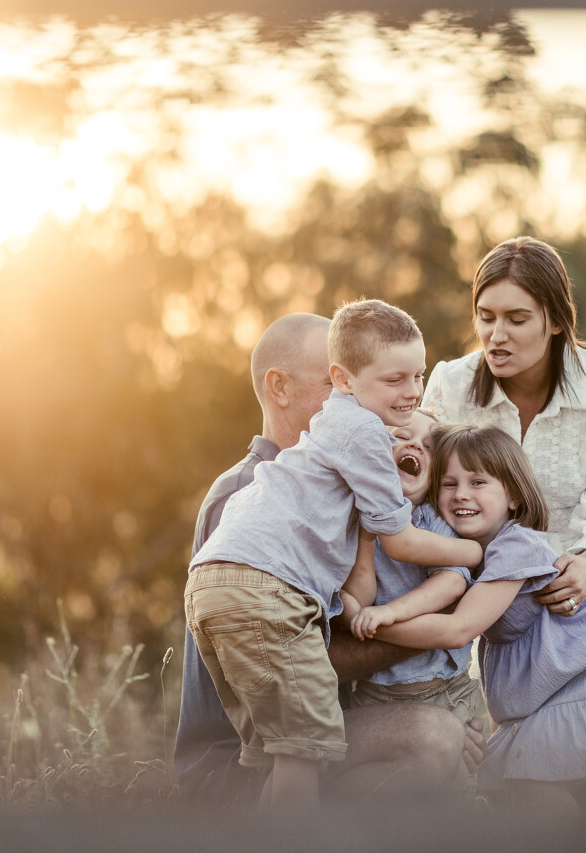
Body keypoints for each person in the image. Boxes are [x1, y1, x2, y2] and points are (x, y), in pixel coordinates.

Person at [184, 302, 483, 808]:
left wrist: (445, 701)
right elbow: (315, 647)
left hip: (275, 710)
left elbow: (352, 601)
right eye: (332, 383)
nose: (409, 394)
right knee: (322, 753)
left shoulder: (330, 475)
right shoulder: (251, 492)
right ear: (282, 387)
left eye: (417, 378)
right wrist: (456, 607)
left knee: (436, 749)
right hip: (226, 768)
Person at [361, 424, 586, 807]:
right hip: (562, 665)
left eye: (478, 482)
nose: (461, 494)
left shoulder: (517, 544)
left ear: (515, 498)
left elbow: (459, 628)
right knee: (576, 783)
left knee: (531, 783)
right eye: (448, 484)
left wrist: (376, 623)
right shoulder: (457, 545)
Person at [421, 236, 586, 611]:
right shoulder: (451, 383)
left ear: (557, 320)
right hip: (477, 595)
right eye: (486, 317)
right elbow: (425, 499)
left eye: (517, 319)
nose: (496, 335)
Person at [340, 410, 482, 731]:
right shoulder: (351, 520)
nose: (416, 445)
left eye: (429, 447)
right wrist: (366, 538)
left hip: (444, 688)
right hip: (374, 692)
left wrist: (391, 613)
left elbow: (451, 583)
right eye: (401, 437)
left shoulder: (431, 519)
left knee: (454, 760)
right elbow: (360, 599)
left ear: (435, 479)